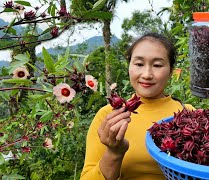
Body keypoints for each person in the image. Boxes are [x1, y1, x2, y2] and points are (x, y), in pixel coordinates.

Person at [81, 33, 194, 180]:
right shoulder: (109, 116)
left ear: (171, 70)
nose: (146, 74)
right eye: (139, 64)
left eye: (157, 65)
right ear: (129, 66)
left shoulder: (189, 115)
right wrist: (114, 153)